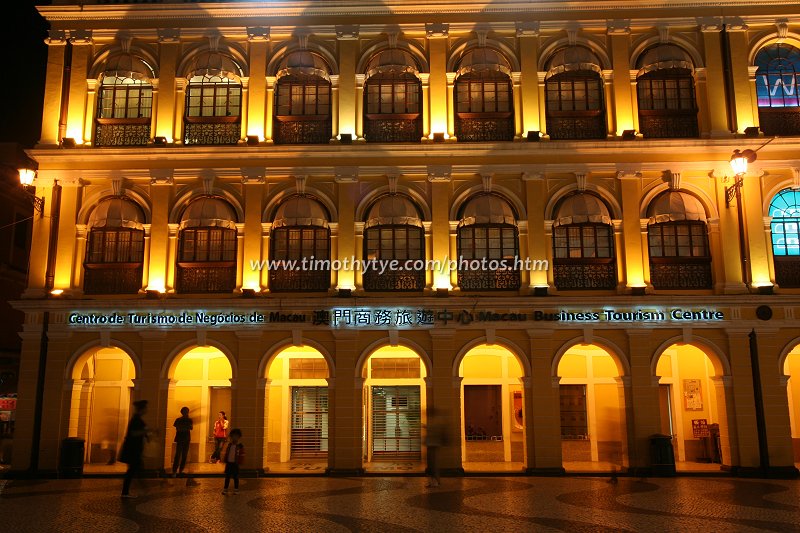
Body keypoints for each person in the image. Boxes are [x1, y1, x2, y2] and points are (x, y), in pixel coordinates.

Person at [120, 399, 150, 498]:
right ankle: (127, 492)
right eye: (145, 407)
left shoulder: (137, 418)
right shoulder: (136, 419)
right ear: (142, 409)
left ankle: (140, 490)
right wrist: (146, 431)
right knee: (134, 470)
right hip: (133, 449)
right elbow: (134, 433)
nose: (147, 409)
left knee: (135, 470)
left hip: (134, 449)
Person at [425, 408, 447, 488]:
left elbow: (435, 431)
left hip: (433, 445)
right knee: (432, 464)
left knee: (433, 464)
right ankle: (434, 481)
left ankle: (436, 482)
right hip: (432, 445)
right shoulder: (434, 420)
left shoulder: (435, 421)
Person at [221, 428, 244, 495]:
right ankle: (225, 489)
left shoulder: (240, 446)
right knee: (227, 477)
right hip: (229, 463)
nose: (234, 438)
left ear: (239, 437)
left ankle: (236, 489)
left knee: (235, 477)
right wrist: (225, 459)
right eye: (233, 436)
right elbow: (227, 453)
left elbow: (242, 454)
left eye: (236, 436)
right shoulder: (229, 445)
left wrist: (240, 461)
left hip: (235, 464)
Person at [172, 406, 193, 477]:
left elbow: (188, 427)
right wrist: (185, 427)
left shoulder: (185, 420)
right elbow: (181, 428)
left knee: (181, 455)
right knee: (180, 455)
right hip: (184, 438)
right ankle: (177, 471)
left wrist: (183, 427)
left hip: (183, 438)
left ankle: (177, 471)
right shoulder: (182, 420)